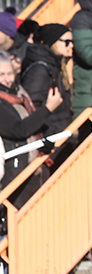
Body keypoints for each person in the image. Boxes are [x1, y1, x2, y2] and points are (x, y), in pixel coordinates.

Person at [0, 50, 63, 205]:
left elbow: (32, 127)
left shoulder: (19, 93)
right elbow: (18, 129)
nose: (7, 79)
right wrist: (48, 109)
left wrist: (44, 145)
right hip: (14, 171)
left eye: (10, 73)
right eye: (1, 74)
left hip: (32, 166)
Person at [20, 22, 73, 136]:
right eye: (67, 42)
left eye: (72, 42)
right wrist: (48, 133)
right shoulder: (40, 69)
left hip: (59, 133)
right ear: (52, 42)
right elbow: (32, 106)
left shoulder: (55, 65)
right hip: (49, 137)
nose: (71, 46)